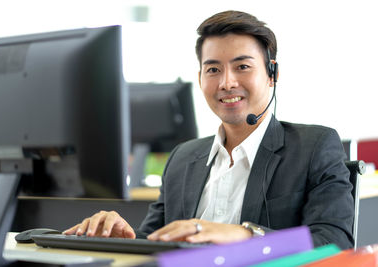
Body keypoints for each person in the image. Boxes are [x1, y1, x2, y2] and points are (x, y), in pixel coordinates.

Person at [64, 10, 354, 249]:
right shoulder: (183, 158)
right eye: (213, 69)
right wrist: (124, 238)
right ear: (200, 78)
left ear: (272, 75)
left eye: (242, 67)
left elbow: (333, 242)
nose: (227, 82)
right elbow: (155, 240)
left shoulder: (314, 146)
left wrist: (245, 235)